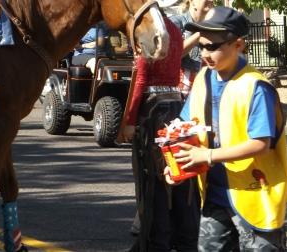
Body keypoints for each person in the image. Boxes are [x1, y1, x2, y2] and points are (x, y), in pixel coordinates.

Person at [164, 7, 287, 251]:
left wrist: (208, 156)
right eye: (202, 46)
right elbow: (185, 128)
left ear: (238, 45)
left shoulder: (256, 87)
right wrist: (176, 165)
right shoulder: (203, 78)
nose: (205, 53)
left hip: (257, 197)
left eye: (213, 47)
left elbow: (260, 144)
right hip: (215, 195)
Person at [121, 5, 199, 252]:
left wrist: (130, 121)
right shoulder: (175, 31)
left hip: (152, 112)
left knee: (154, 184)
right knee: (180, 179)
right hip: (176, 105)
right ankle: (186, 240)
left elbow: (141, 78)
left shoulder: (151, 31)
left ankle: (158, 243)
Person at [170, 0, 213, 98]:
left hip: (203, 93)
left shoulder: (214, 28)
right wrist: (200, 34)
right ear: (192, 2)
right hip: (179, 94)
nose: (211, 0)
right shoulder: (175, 23)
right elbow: (172, 55)